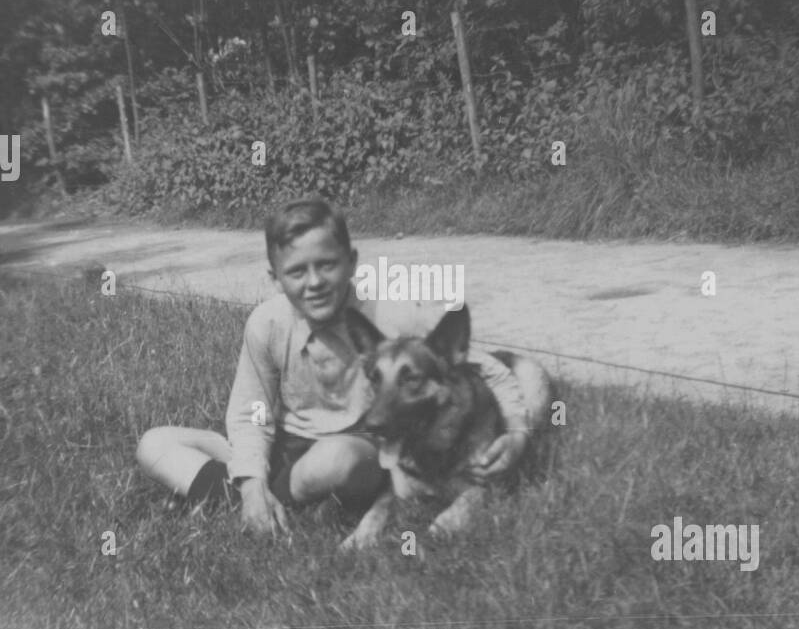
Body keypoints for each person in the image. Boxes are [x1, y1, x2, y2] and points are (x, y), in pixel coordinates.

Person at [136, 197, 534, 536]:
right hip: (285, 448)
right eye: (296, 271)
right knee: (154, 444)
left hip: (357, 450)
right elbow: (248, 413)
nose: (314, 283)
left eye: (326, 265)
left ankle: (256, 501)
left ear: (351, 262)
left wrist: (516, 432)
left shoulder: (392, 317)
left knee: (336, 460)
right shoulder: (267, 323)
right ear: (275, 278)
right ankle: (258, 497)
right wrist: (252, 481)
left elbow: (486, 369)